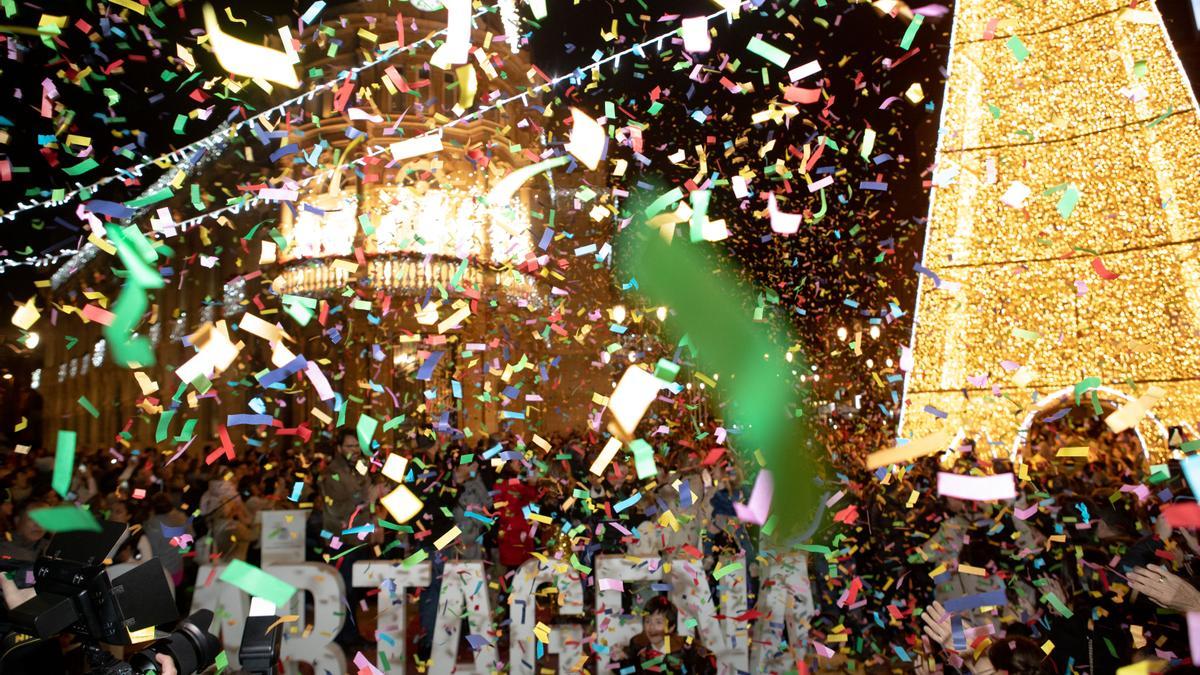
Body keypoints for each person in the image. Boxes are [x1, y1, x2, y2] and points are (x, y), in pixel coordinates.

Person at [617, 595, 716, 674]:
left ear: (671, 627)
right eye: (647, 621)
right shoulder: (637, 646)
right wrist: (619, 661)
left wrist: (702, 659)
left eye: (658, 622)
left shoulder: (685, 644)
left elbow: (708, 660)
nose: (651, 627)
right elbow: (627, 671)